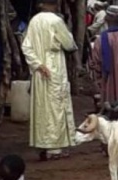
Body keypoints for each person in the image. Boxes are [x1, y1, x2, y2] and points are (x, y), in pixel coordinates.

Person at [21, 0, 78, 161]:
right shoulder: (56, 21)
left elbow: (26, 46)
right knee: (56, 107)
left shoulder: (34, 21)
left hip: (40, 70)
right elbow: (69, 44)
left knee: (42, 107)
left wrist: (37, 64)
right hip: (55, 68)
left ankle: (42, 143)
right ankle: (55, 148)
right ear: (53, 5)